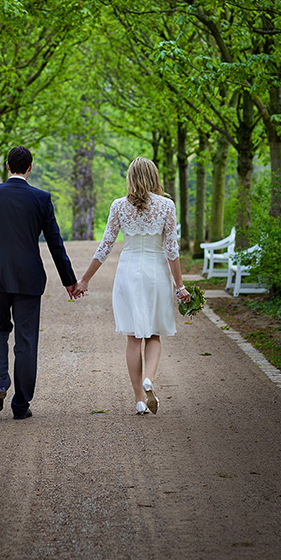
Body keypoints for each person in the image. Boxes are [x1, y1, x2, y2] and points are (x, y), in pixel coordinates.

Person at [74, 157, 192, 415]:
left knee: (132, 337)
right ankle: (149, 377)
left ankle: (139, 398)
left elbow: (105, 246)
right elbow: (172, 249)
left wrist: (85, 279)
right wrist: (179, 285)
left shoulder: (118, 206)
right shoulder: (166, 206)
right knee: (153, 334)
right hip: (156, 273)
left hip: (128, 272)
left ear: (130, 178)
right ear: (154, 177)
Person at [0, 146, 80, 420]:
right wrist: (69, 280)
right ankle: (21, 404)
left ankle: (0, 383)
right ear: (30, 167)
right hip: (29, 278)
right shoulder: (40, 198)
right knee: (26, 340)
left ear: (7, 166)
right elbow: (55, 242)